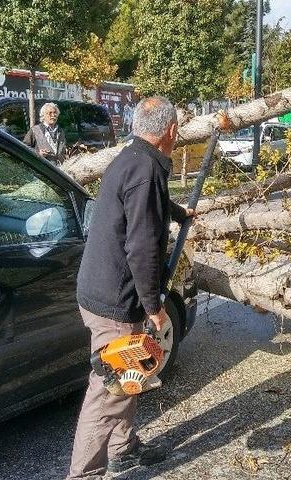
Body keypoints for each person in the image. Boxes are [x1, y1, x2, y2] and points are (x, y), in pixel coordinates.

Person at [66, 96, 195, 480]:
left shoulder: (131, 159)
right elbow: (140, 246)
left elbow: (142, 204)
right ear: (171, 131)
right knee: (108, 391)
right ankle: (84, 474)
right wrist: (153, 304)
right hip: (115, 301)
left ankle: (122, 448)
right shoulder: (145, 169)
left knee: (129, 373)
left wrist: (176, 212)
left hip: (100, 290)